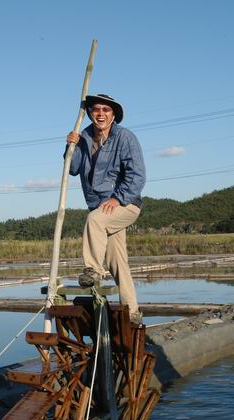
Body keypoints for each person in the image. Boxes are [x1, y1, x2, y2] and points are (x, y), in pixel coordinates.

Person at [66, 94, 146, 324]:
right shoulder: (85, 137)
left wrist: (118, 199)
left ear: (113, 114)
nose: (100, 113)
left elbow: (137, 176)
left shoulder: (125, 137)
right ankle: (132, 313)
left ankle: (91, 270)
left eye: (106, 110)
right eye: (96, 109)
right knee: (117, 261)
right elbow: (73, 169)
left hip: (126, 204)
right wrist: (71, 146)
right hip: (100, 206)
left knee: (94, 220)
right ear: (90, 113)